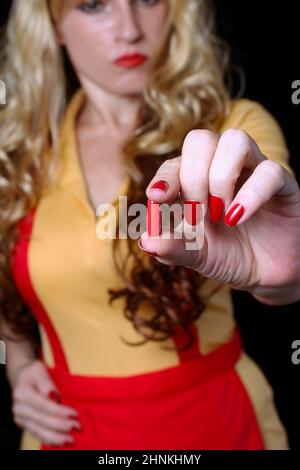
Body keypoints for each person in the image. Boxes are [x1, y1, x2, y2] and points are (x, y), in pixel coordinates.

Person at [0, 0, 299, 450]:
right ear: (53, 25)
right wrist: (20, 367)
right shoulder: (18, 159)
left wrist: (285, 279)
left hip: (215, 425)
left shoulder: (232, 129)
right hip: (65, 436)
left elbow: (282, 270)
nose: (129, 29)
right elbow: (11, 307)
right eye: (94, 6)